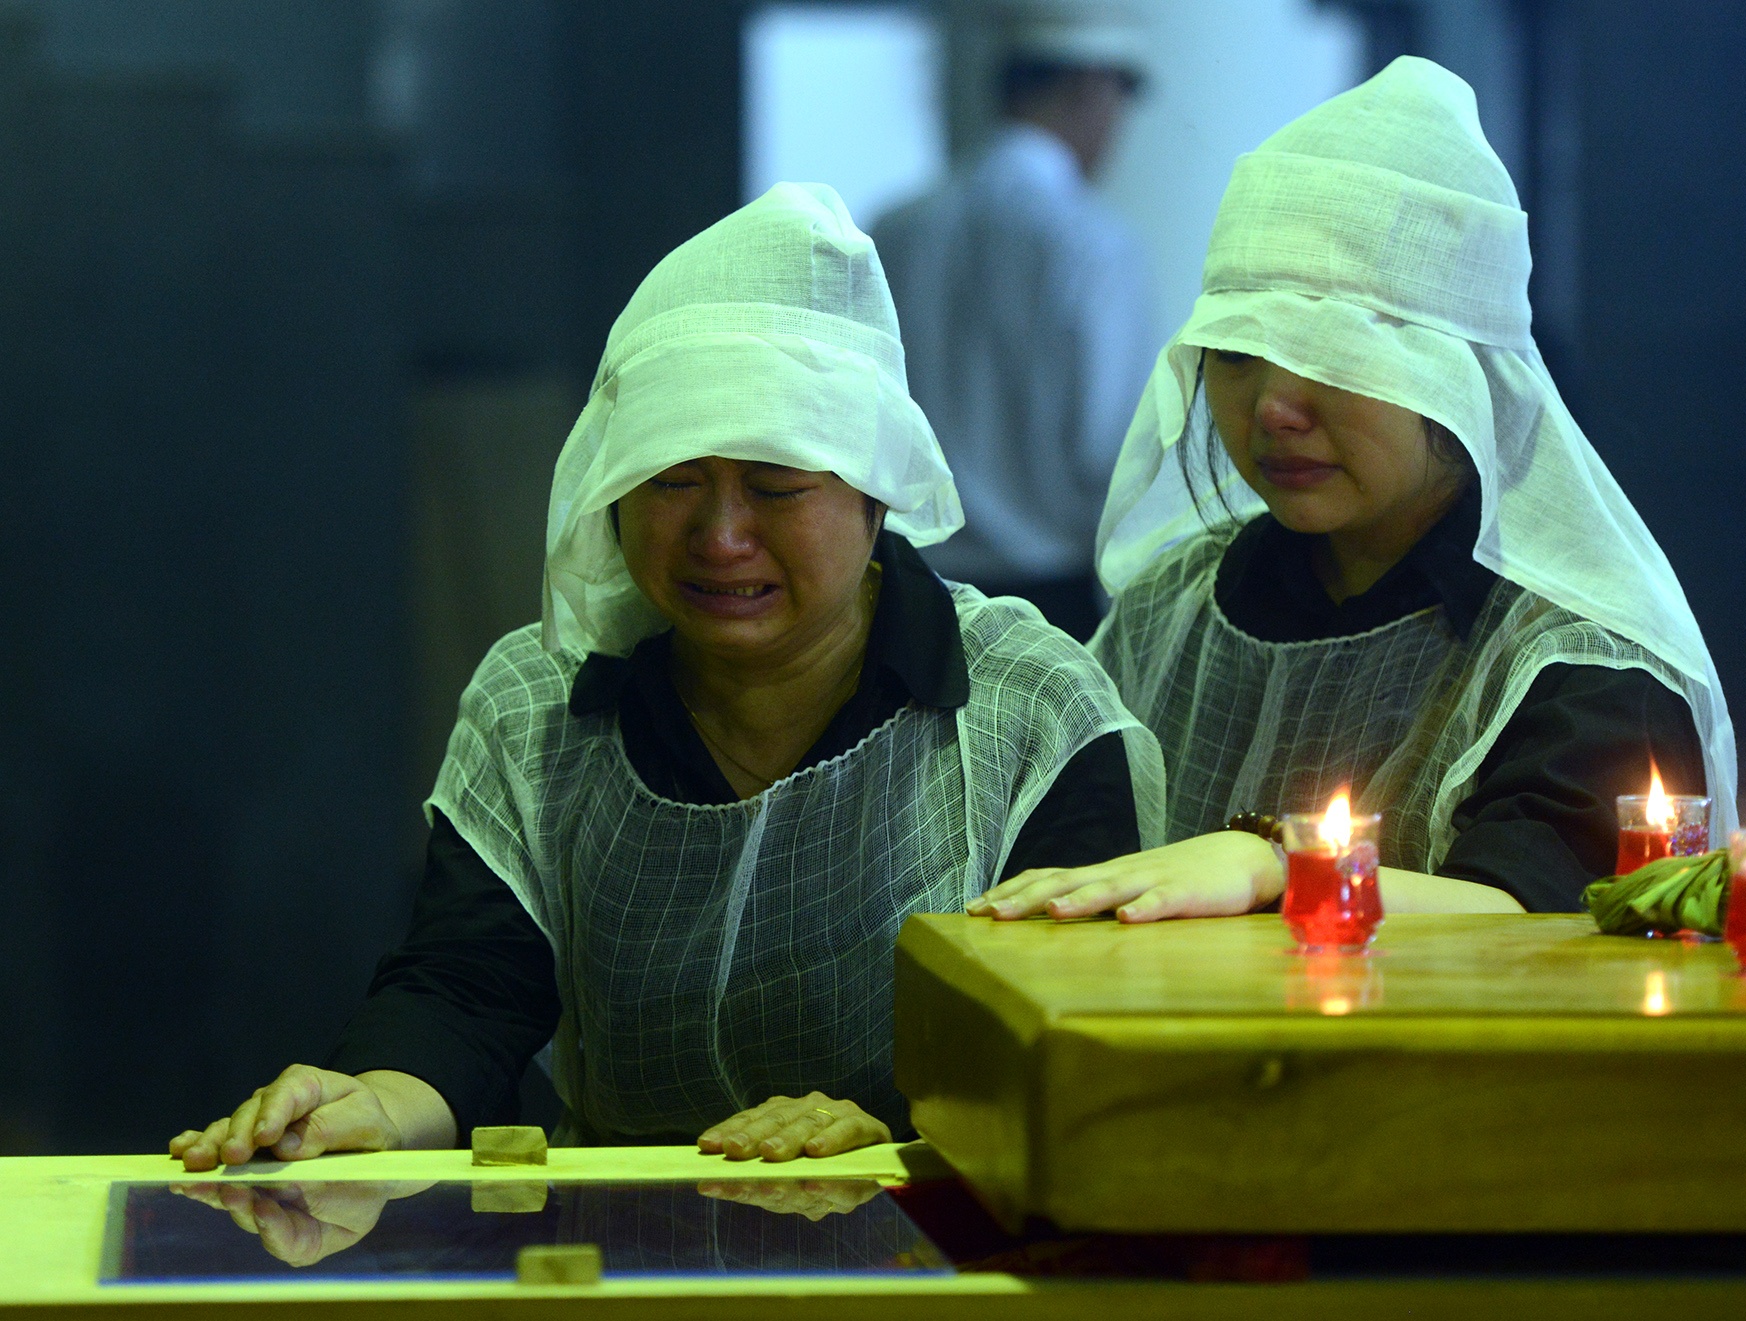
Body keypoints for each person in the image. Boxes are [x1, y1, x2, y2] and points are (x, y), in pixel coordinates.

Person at [170, 183, 1162, 1173]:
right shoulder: (541, 703)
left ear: (876, 489)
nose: (720, 536)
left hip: (935, 1231)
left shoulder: (1028, 713)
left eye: (775, 487)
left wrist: (903, 1136)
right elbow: (469, 989)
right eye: (673, 480)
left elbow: (1069, 1047)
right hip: (629, 1235)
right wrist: (376, 1102)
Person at [971, 58, 1736, 925]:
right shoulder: (1179, 607)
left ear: (1458, 379)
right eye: (1238, 354)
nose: (1273, 408)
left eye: (1331, 359)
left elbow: (1559, 920)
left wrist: (1279, 865)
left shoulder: (1573, 653)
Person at [870, 5, 1155, 640]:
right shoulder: (1093, 242)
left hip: (906, 596)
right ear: (1091, 85)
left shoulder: (895, 229)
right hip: (1046, 605)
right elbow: (1112, 450)